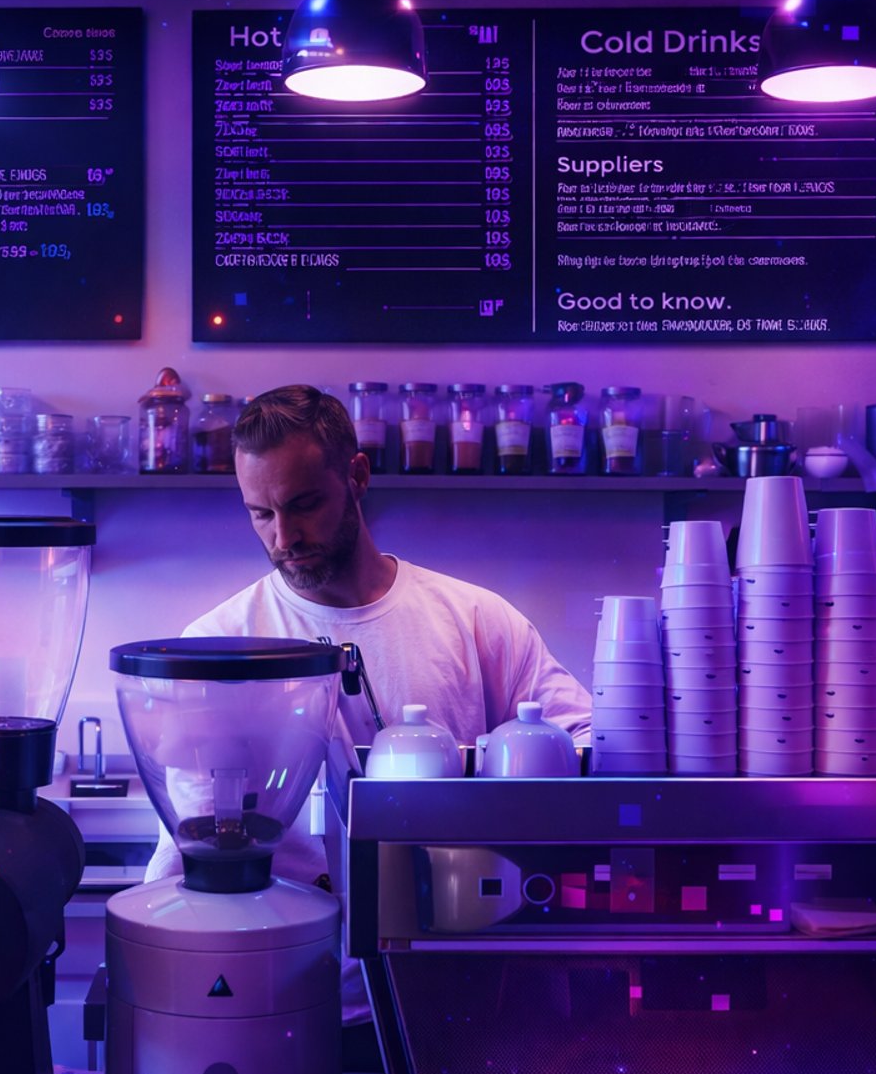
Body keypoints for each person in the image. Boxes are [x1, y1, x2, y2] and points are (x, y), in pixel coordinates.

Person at [144, 384, 592, 1029]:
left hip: (454, 983)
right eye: (260, 514)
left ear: (356, 475)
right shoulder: (220, 642)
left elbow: (583, 745)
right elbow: (181, 837)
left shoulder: (474, 620)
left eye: (304, 505)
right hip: (283, 990)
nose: (284, 537)